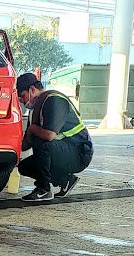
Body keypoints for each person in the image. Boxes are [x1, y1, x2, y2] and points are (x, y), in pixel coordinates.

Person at [16, 72, 94, 202]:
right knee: (24, 166)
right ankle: (65, 181)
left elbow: (49, 135)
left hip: (79, 152)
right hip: (61, 150)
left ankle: (44, 189)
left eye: (22, 96)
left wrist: (32, 129)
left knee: (42, 141)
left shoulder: (54, 100)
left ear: (32, 90)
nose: (23, 102)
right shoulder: (35, 110)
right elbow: (26, 144)